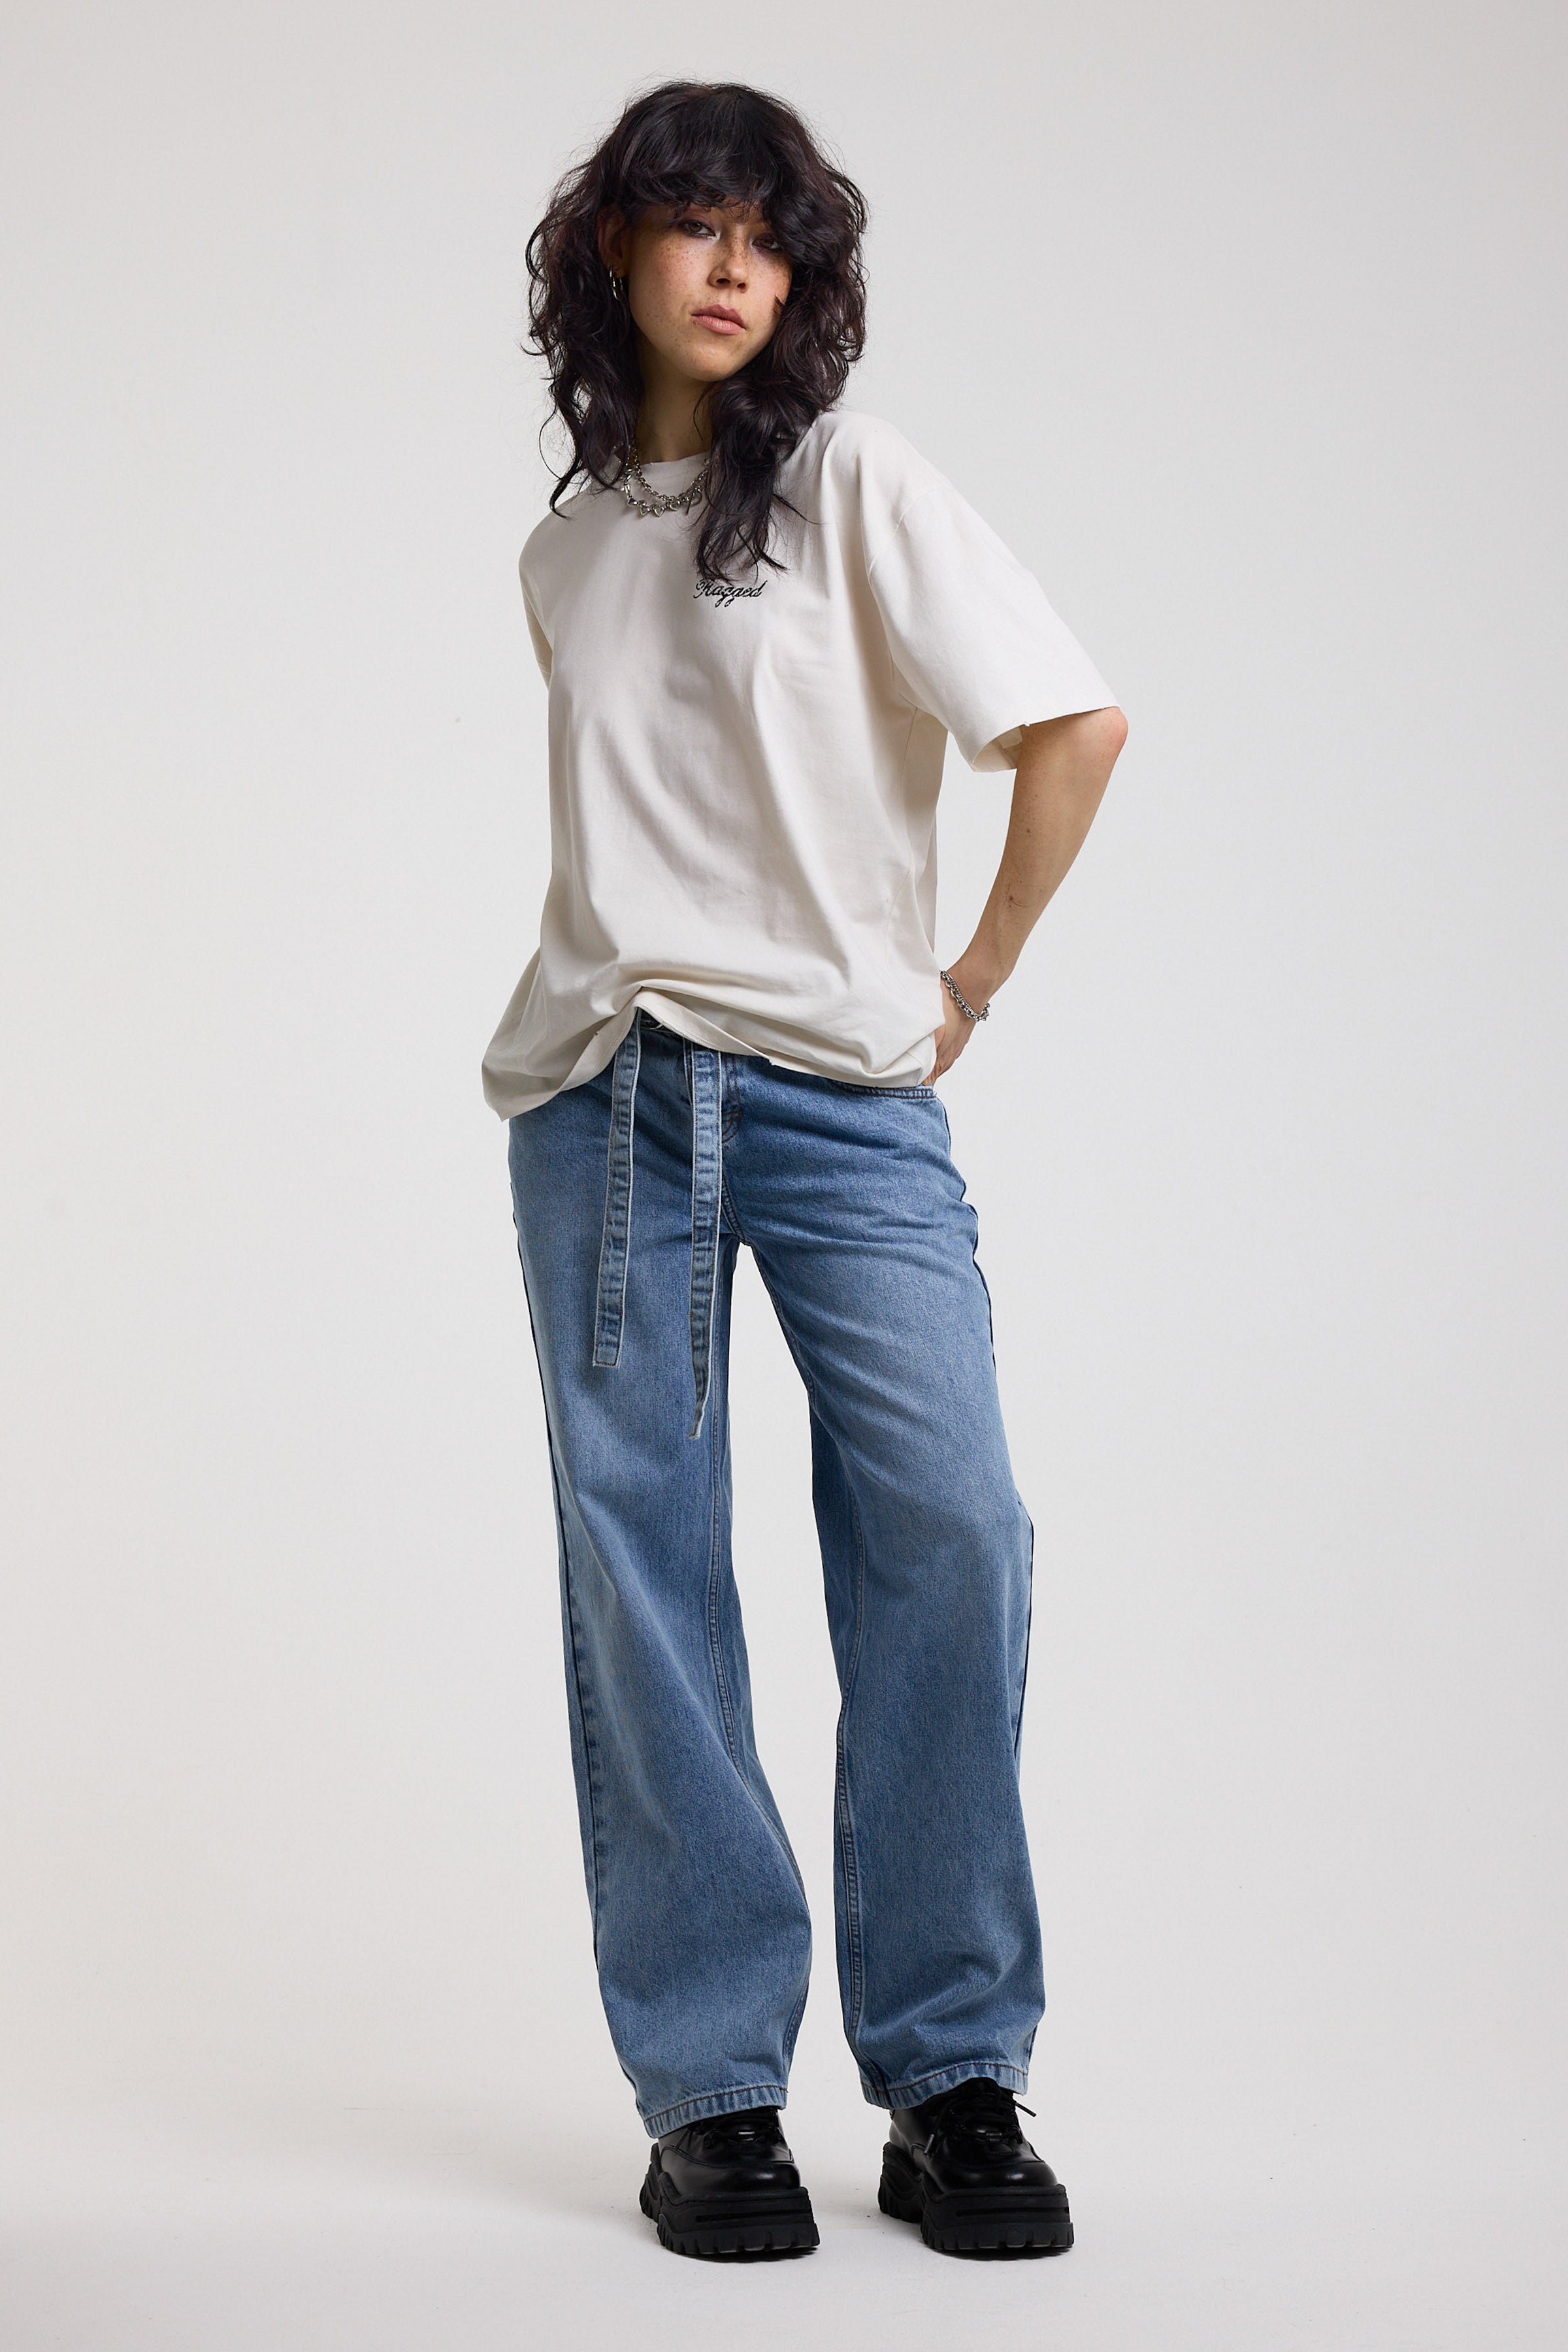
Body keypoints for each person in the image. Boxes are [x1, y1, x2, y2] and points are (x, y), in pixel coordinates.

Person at [485, 80, 1127, 2262]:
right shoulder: (568, 549)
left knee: (955, 1528)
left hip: (849, 1101)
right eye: (696, 224)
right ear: (618, 254)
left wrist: (977, 977)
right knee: (647, 1580)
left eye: (771, 235)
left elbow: (1073, 725)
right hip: (611, 1099)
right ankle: (713, 2094)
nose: (736, 267)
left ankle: (953, 2075)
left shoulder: (855, 482)